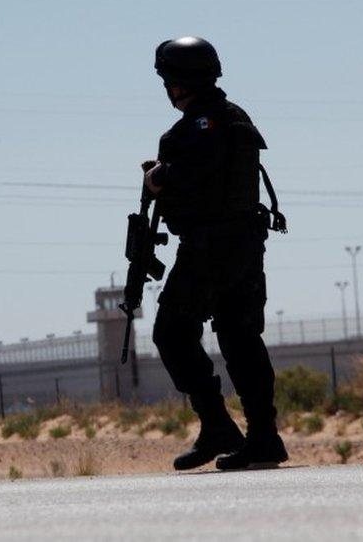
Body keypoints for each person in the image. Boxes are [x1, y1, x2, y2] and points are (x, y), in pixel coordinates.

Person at [143, 36, 288, 470]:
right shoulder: (235, 117)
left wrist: (158, 179)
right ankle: (263, 438)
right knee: (241, 338)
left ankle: (217, 425)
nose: (167, 88)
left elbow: (193, 176)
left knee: (172, 332)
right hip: (245, 244)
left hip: (211, 247)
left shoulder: (195, 128)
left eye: (169, 79)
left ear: (180, 81)